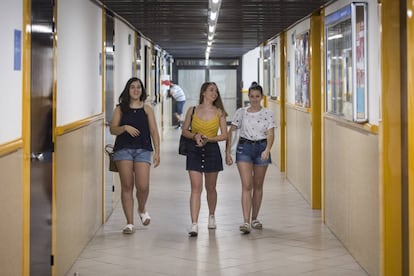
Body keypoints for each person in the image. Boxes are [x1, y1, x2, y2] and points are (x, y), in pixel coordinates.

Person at [110, 77, 160, 234]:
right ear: (127, 90)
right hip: (123, 149)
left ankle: (142, 208)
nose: (136, 90)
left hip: (143, 149)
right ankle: (129, 223)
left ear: (142, 91)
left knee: (143, 186)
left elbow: (153, 131)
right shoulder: (120, 109)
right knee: (126, 186)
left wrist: (157, 151)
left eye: (139, 87)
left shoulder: (147, 110)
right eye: (132, 87)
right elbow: (112, 129)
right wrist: (124, 127)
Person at [225, 82, 275, 234]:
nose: (254, 99)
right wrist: (227, 152)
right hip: (244, 148)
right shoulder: (241, 112)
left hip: (261, 148)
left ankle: (255, 218)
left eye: (257, 96)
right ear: (249, 96)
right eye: (252, 96)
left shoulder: (268, 113)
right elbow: (231, 132)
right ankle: (246, 221)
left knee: (258, 185)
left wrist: (267, 149)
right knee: (247, 185)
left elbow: (271, 134)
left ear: (262, 97)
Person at [181, 82, 228, 237]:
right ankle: (194, 223)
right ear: (203, 93)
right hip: (194, 149)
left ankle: (212, 216)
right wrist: (195, 136)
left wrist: (210, 139)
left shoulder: (219, 112)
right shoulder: (192, 110)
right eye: (211, 90)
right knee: (196, 187)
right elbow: (184, 131)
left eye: (216, 91)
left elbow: (225, 135)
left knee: (211, 187)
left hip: (212, 150)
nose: (214, 93)